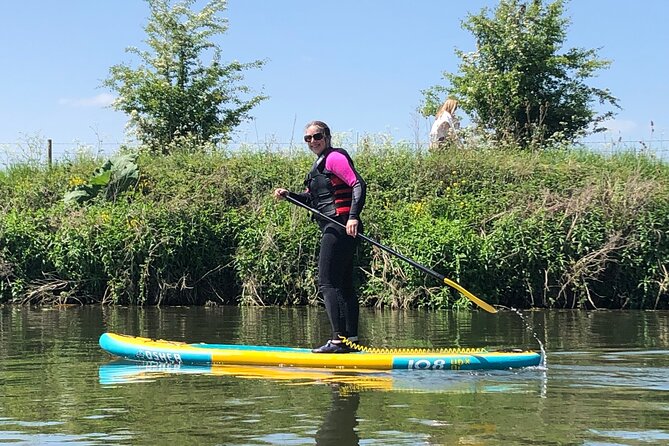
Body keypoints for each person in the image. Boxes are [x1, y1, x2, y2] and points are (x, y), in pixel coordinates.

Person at [273, 120, 366, 353]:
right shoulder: (319, 166)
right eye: (308, 138)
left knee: (327, 282)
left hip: (341, 226)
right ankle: (349, 340)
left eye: (317, 136)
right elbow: (311, 200)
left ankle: (338, 341)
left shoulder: (334, 158)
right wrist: (289, 195)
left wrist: (353, 216)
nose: (312, 141)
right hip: (337, 227)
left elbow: (358, 184)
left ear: (327, 136)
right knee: (343, 284)